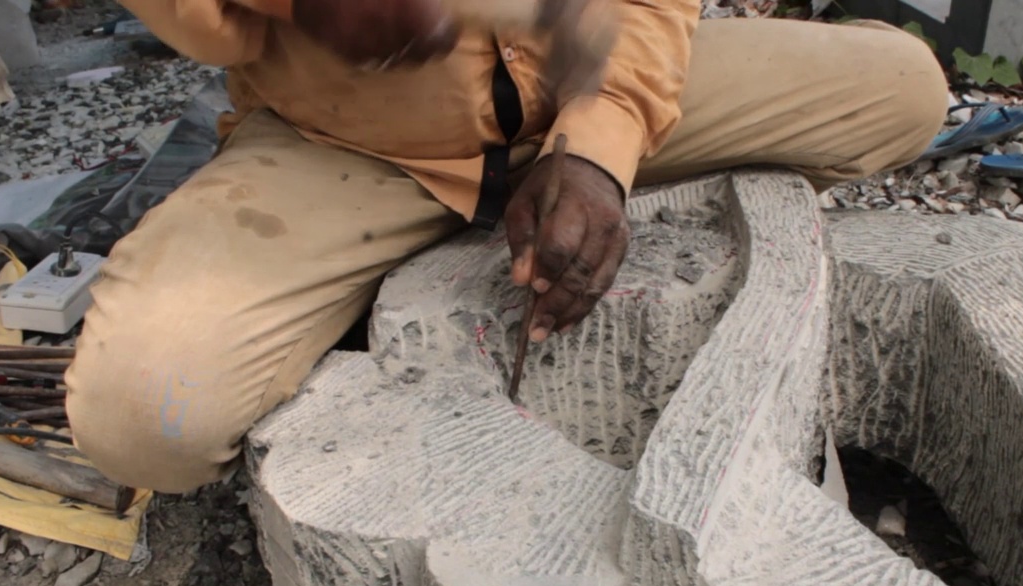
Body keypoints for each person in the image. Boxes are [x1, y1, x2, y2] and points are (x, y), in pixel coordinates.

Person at [63, 0, 947, 493]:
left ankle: (585, 180)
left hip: (579, 82)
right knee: (143, 420)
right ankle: (367, 286)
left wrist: (602, 145)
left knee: (904, 90)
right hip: (349, 140)